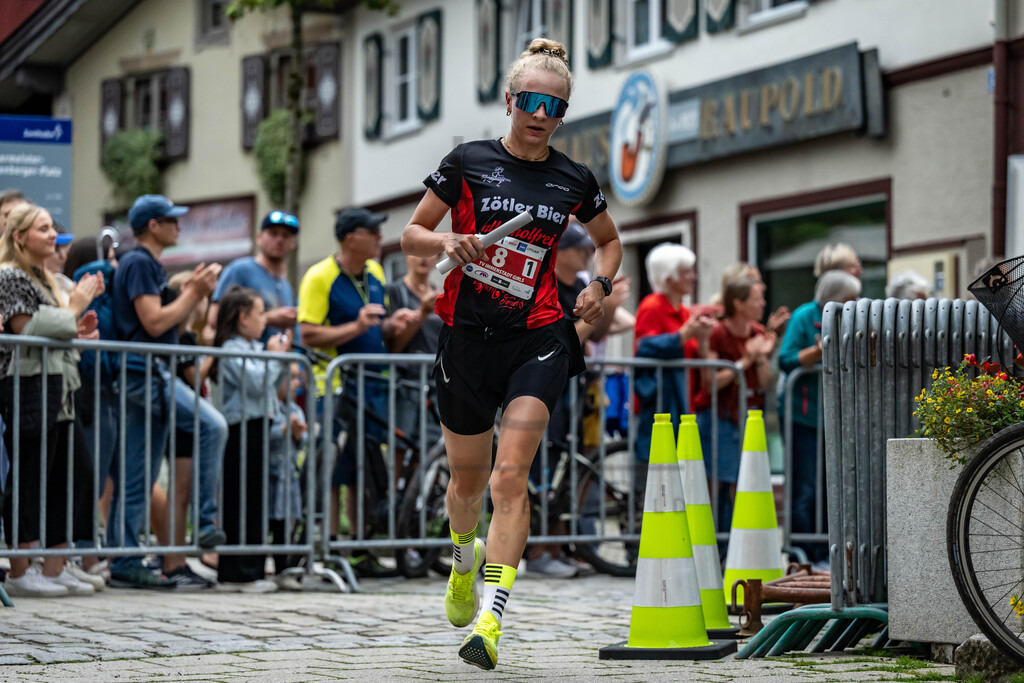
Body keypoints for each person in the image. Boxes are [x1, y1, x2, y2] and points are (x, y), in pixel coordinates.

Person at [401, 38, 621, 670]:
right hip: (467, 338)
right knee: (467, 484)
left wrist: (599, 287)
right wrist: (457, 239)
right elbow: (412, 235)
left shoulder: (573, 179)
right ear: (508, 101)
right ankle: (462, 559)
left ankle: (491, 622)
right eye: (530, 100)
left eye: (555, 104)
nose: (541, 113)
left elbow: (610, 244)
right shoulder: (468, 161)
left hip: (539, 336)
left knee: (509, 475)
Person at [108, 194, 227, 589]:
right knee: (213, 425)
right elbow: (155, 323)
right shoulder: (139, 262)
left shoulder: (143, 263)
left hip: (148, 374)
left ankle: (125, 559)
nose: (179, 226)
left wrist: (193, 293)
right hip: (145, 374)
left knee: (138, 472)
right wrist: (194, 293)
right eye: (172, 220)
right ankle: (206, 520)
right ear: (153, 226)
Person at [0, 203, 103, 597]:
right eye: (43, 229)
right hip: (26, 382)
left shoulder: (44, 278)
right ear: (19, 236)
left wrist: (78, 329)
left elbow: (56, 330)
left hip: (59, 383)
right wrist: (75, 306)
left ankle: (55, 563)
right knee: (28, 474)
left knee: (66, 473)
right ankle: (21, 568)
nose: (52, 236)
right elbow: (28, 328)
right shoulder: (9, 276)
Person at [297, 206, 401, 578]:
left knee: (363, 466)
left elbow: (376, 326)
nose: (378, 237)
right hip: (334, 386)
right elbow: (306, 333)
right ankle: (329, 544)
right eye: (371, 231)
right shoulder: (319, 276)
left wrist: (395, 324)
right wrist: (354, 328)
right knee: (335, 468)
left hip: (372, 385)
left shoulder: (374, 272)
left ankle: (357, 546)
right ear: (349, 237)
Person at [778, 269, 860, 563]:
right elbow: (785, 360)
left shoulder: (851, 317)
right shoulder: (804, 316)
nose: (856, 302)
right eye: (851, 297)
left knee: (830, 485)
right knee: (806, 487)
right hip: (804, 417)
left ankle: (828, 547)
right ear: (835, 298)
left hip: (834, 417)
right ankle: (804, 552)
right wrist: (816, 352)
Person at [213, 285, 286, 593]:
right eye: (259, 314)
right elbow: (256, 384)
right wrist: (274, 357)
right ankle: (237, 572)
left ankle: (253, 567)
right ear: (242, 318)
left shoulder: (254, 347)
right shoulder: (231, 348)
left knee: (256, 499)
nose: (264, 321)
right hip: (242, 428)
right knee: (241, 499)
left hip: (260, 426)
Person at [693, 276, 776, 529]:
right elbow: (710, 382)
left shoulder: (757, 332)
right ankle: (716, 540)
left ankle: (738, 542)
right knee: (718, 480)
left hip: (748, 414)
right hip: (720, 415)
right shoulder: (718, 332)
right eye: (757, 298)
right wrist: (746, 360)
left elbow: (766, 382)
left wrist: (760, 358)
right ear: (739, 304)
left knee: (745, 479)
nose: (762, 303)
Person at [633, 243, 714, 487]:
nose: (693, 276)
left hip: (681, 402)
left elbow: (690, 354)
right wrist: (683, 335)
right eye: (686, 272)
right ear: (669, 278)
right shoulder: (652, 306)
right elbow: (645, 346)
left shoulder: (683, 311)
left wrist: (700, 339)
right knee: (659, 472)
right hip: (662, 404)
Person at [208, 210, 299, 344]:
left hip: (275, 362)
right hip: (243, 360)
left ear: (293, 243)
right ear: (259, 238)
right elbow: (215, 319)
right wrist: (268, 318)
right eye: (273, 233)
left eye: (286, 235)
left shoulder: (286, 287)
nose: (279, 240)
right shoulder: (239, 270)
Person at [268, 361, 307, 591]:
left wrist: (299, 434)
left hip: (287, 476)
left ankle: (283, 568)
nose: (296, 384)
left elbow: (305, 440)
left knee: (284, 525)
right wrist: (284, 430)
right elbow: (265, 434)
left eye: (298, 378)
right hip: (270, 477)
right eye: (291, 378)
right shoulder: (271, 407)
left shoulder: (296, 410)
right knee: (268, 522)